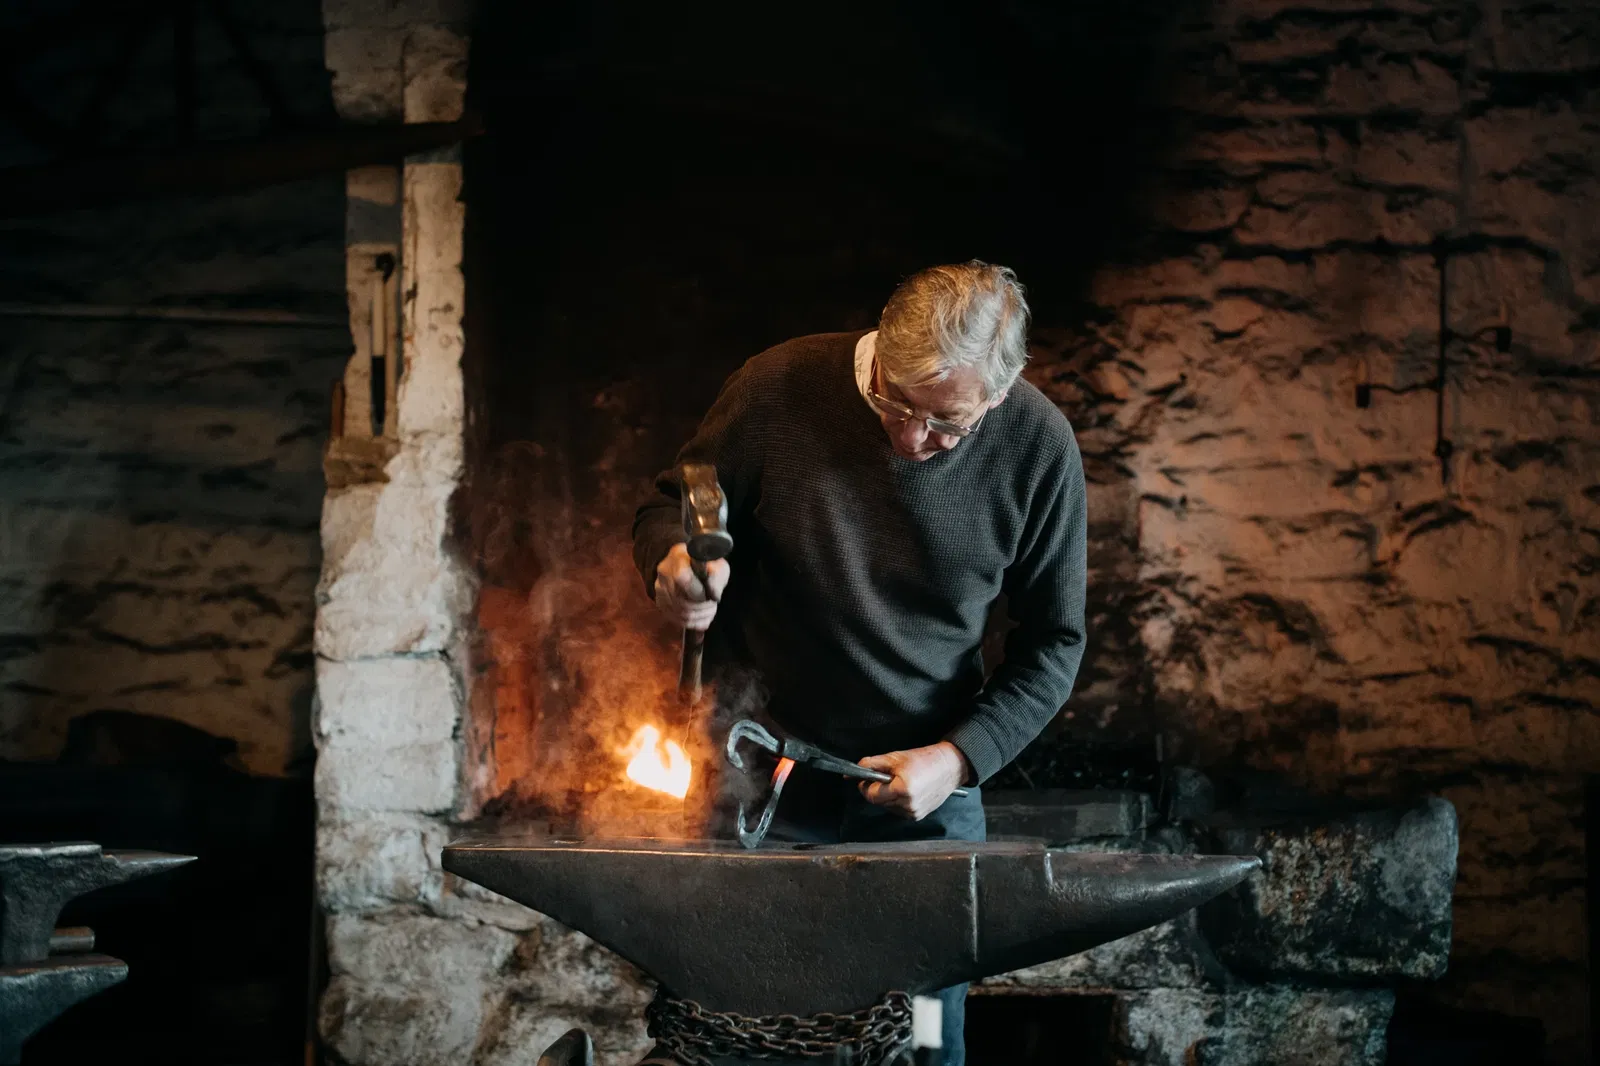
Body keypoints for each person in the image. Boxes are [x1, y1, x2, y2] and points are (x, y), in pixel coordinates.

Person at [631, 261, 1087, 1063]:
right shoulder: (776, 389)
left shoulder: (1038, 448)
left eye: (945, 425)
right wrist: (672, 561)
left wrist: (959, 760)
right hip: (758, 784)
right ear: (878, 345)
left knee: (927, 1038)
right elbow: (674, 502)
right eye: (893, 401)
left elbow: (1054, 642)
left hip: (925, 802)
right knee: (737, 1031)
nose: (909, 440)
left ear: (998, 395)